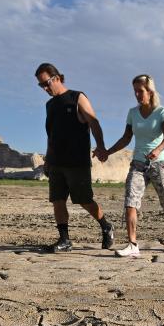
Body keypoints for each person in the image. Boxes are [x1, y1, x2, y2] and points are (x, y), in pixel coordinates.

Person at [34, 62, 115, 253]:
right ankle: (64, 240)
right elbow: (51, 134)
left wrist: (101, 146)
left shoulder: (77, 97)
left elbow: (94, 122)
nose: (45, 88)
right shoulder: (49, 105)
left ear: (57, 78)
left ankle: (106, 226)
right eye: (41, 86)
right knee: (57, 200)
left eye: (46, 83)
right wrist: (47, 159)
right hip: (56, 161)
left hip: (76, 161)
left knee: (84, 200)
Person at [103, 73, 164, 257]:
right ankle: (132, 244)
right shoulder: (132, 113)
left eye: (140, 91)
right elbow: (126, 138)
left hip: (159, 164)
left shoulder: (162, 111)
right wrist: (107, 152)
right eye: (135, 92)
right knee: (130, 203)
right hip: (138, 163)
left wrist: (157, 150)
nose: (137, 95)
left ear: (150, 91)